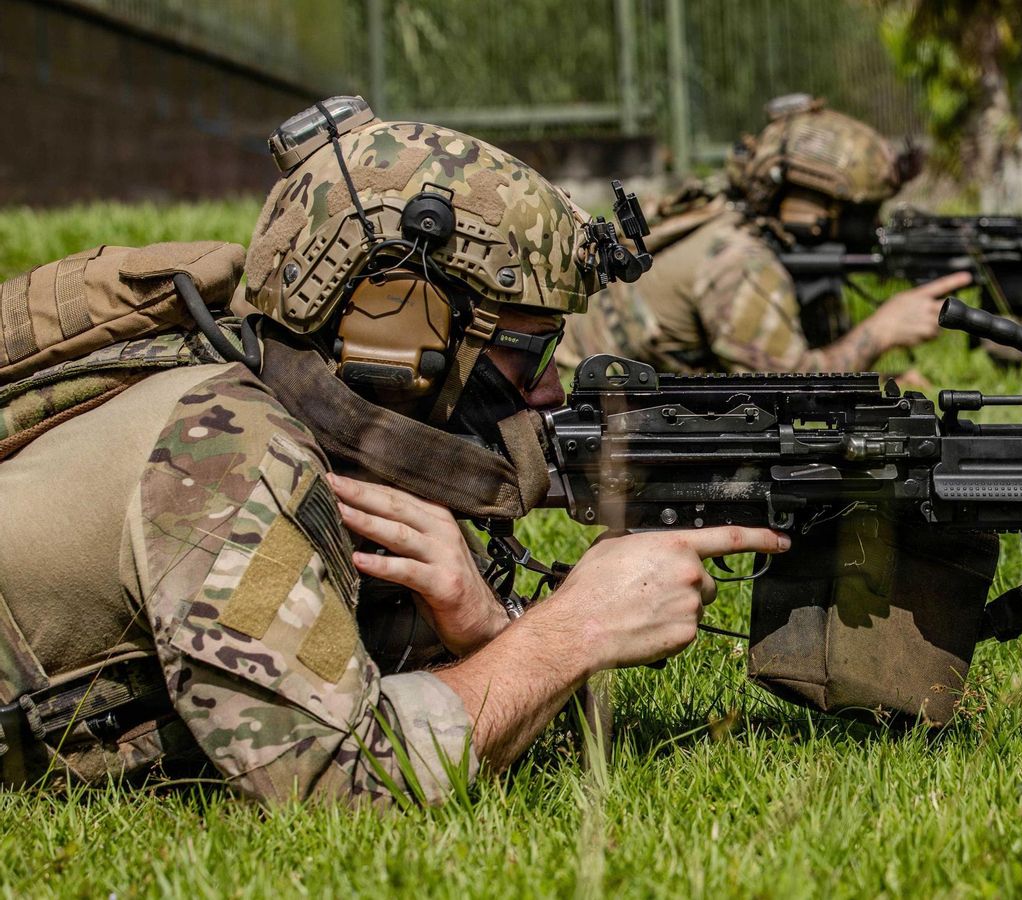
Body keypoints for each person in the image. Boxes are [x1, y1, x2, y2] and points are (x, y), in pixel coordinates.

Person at [0, 97, 786, 804]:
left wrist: (483, 628)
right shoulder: (225, 451)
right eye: (523, 350)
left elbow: (443, 711)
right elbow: (336, 782)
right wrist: (570, 631)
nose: (543, 390)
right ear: (396, 320)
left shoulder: (279, 416)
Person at [558, 95, 972, 375]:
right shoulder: (740, 261)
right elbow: (790, 389)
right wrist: (881, 331)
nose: (871, 224)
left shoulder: (750, 228)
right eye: (860, 212)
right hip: (566, 394)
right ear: (813, 209)